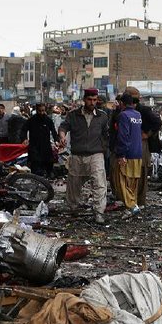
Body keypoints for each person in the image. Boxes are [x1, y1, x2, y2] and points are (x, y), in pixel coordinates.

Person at [58, 88, 109, 223]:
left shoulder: (102, 116)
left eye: (94, 100)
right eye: (89, 99)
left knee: (99, 184)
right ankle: (73, 207)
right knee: (74, 184)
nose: (92, 102)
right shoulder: (73, 115)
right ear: (84, 99)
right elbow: (63, 127)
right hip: (77, 154)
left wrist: (104, 149)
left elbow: (106, 135)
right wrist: (62, 137)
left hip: (96, 154)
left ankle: (99, 212)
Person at [125, 87, 159, 208]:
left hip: (141, 144)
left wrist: (147, 134)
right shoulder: (124, 110)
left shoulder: (143, 110)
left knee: (141, 172)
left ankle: (141, 201)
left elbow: (157, 122)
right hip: (130, 144)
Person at [112, 93, 143, 214]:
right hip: (138, 152)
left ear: (122, 103)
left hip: (128, 153)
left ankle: (132, 206)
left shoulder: (123, 115)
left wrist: (121, 155)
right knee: (133, 182)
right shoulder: (138, 114)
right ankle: (133, 203)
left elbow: (123, 136)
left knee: (121, 181)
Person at [22, 103, 58, 177]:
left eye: (43, 111)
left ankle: (48, 177)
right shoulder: (31, 120)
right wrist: (24, 138)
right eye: (39, 111)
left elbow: (53, 131)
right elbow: (24, 130)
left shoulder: (48, 120)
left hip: (45, 145)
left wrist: (56, 141)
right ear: (36, 110)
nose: (41, 113)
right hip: (34, 145)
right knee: (35, 163)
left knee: (48, 162)